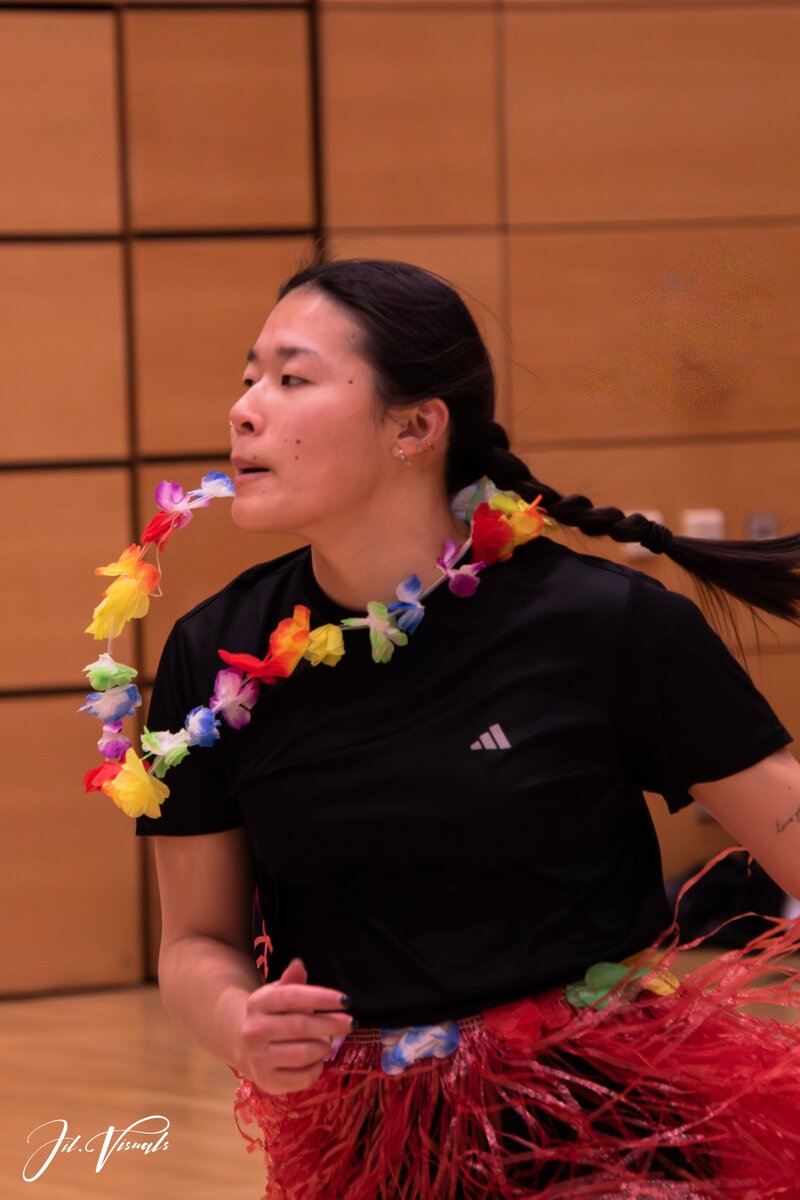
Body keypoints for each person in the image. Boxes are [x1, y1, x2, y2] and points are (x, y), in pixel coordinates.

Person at [135, 258, 800, 1198]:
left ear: (415, 427)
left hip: (609, 1135)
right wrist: (240, 1022)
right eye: (249, 379)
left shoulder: (604, 627)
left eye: (291, 378)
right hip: (370, 1146)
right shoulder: (214, 657)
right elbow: (193, 944)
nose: (243, 410)